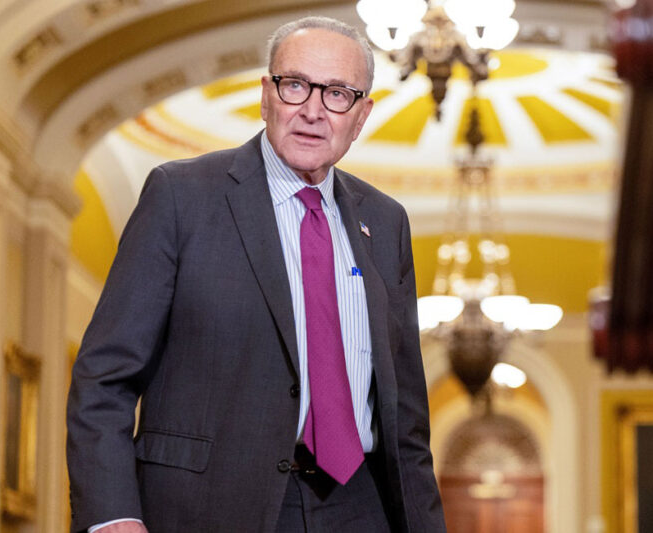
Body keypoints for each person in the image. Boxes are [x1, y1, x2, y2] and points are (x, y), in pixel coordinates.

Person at [66, 16, 446, 533]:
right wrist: (113, 516)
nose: (313, 110)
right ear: (266, 94)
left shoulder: (385, 221)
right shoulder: (181, 196)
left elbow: (407, 416)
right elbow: (105, 377)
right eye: (296, 85)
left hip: (360, 506)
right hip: (210, 505)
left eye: (337, 94)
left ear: (361, 116)